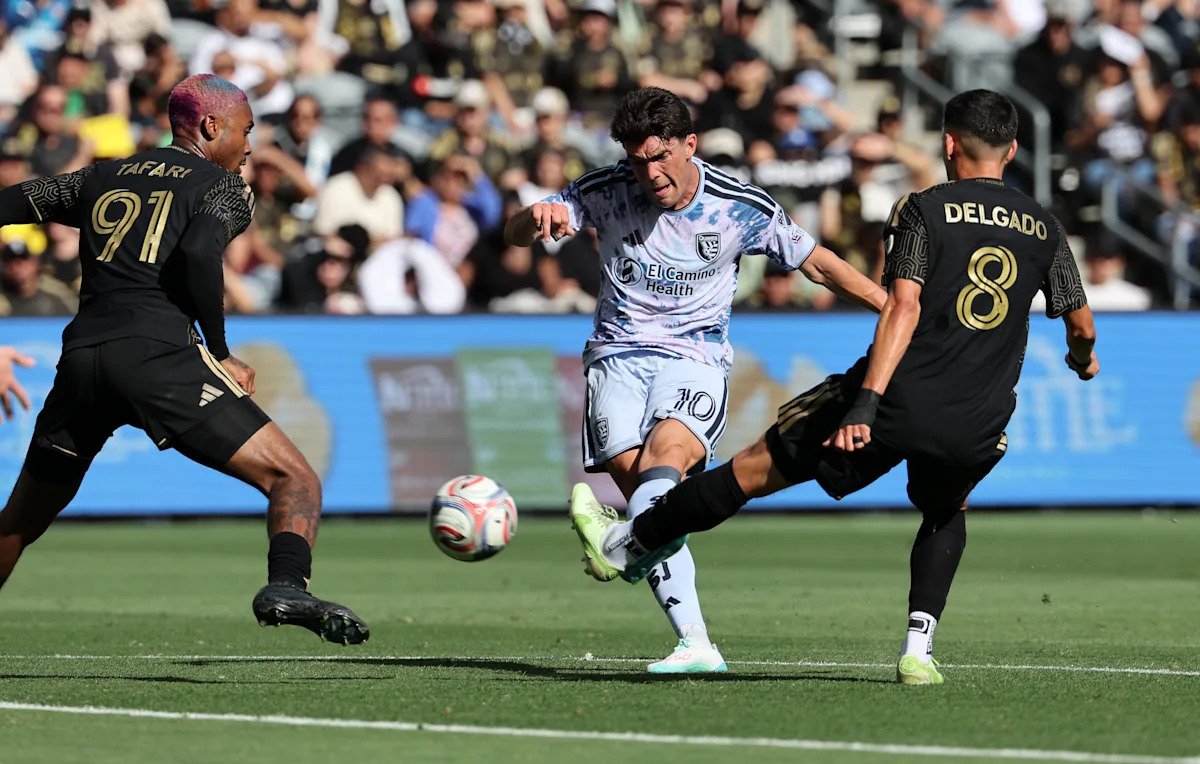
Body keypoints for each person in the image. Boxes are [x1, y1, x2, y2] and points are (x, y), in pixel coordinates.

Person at [567, 89, 1099, 685]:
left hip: (895, 395)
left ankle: (625, 546)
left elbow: (902, 305)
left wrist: (866, 403)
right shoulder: (1045, 226)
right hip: (979, 414)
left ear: (948, 144)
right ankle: (918, 651)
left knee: (750, 471)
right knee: (946, 509)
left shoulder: (924, 208)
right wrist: (1082, 361)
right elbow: (1080, 324)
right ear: (1014, 150)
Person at [505, 86, 885, 673]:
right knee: (652, 505)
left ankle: (670, 612)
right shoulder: (603, 190)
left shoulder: (738, 206)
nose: (650, 174)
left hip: (695, 357)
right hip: (615, 359)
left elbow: (817, 263)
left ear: (689, 144)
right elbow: (514, 234)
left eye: (660, 157)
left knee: (663, 468)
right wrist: (532, 219)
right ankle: (684, 625)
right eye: (638, 161)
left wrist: (892, 308)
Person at [0, 73, 368, 645]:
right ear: (211, 127)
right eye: (246, 130)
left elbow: (13, 201)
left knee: (21, 519)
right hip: (157, 358)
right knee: (293, 476)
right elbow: (198, 250)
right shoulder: (223, 188)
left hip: (82, 361)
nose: (250, 147)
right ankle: (287, 585)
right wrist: (219, 351)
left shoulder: (104, 174)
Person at [0, 346, 35, 423]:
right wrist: (28, 362)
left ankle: (26, 406)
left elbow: (25, 361)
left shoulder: (6, 352)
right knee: (21, 396)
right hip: (9, 380)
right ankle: (26, 406)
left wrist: (27, 362)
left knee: (20, 396)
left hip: (9, 380)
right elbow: (25, 361)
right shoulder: (6, 352)